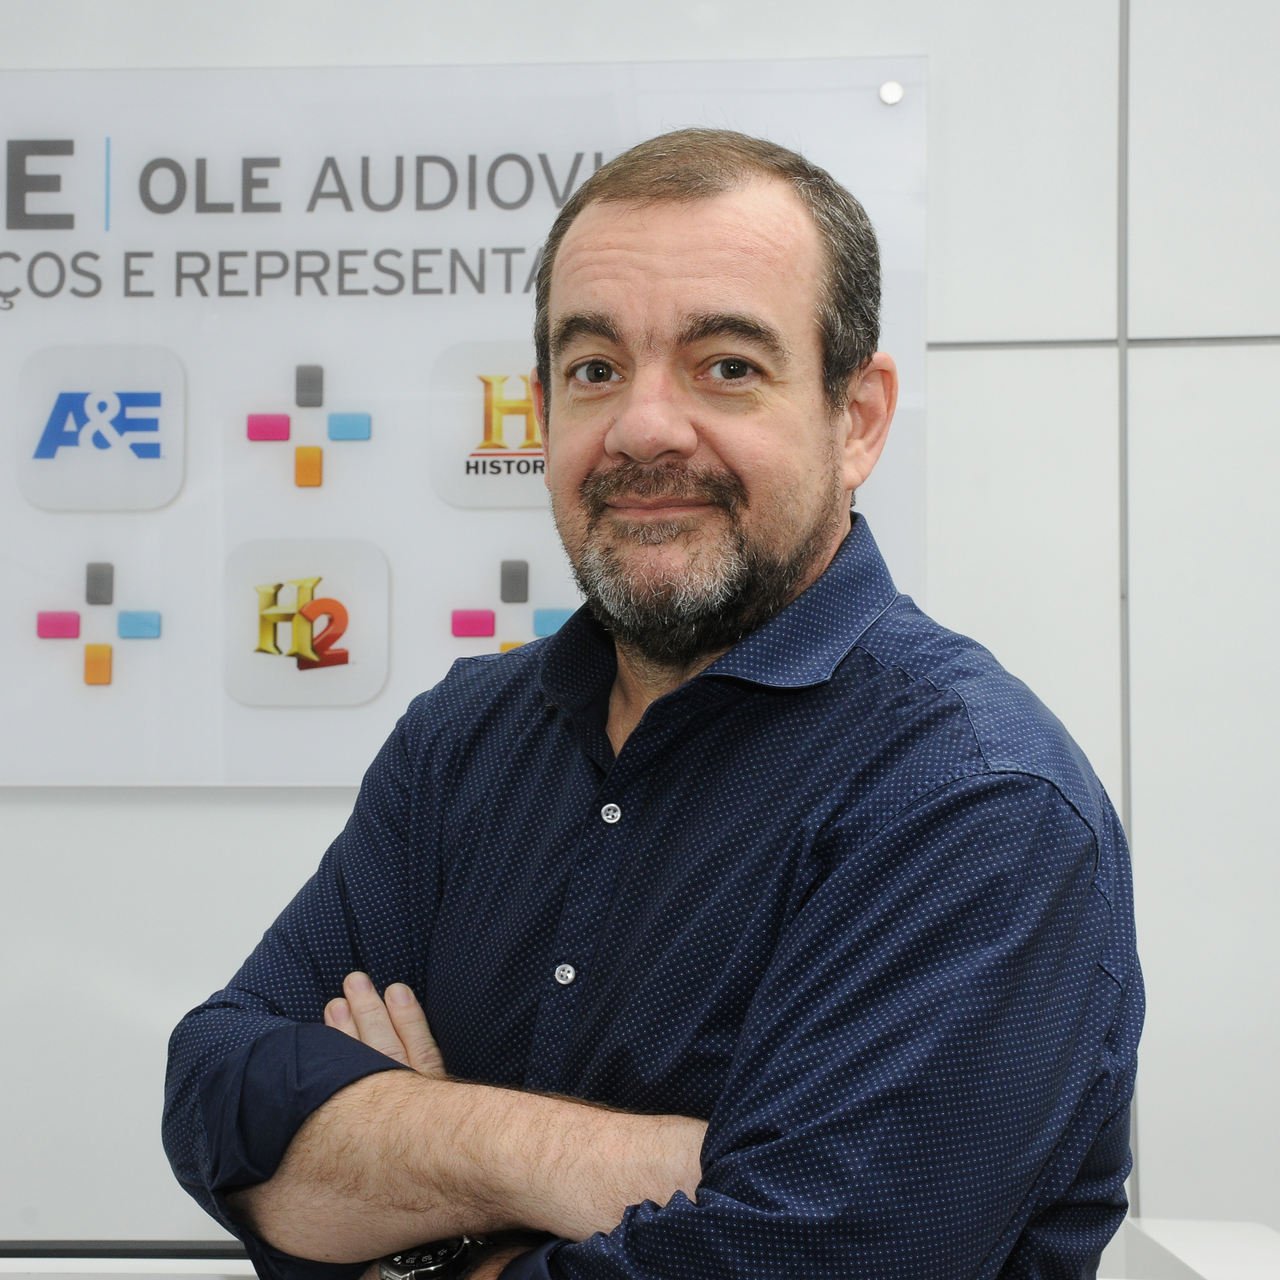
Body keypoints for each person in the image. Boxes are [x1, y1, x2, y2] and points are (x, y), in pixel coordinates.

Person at [164, 128, 1143, 1280]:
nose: (641, 427)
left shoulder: (972, 802)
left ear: (857, 417)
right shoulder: (462, 739)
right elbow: (217, 1089)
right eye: (595, 369)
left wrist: (405, 1212)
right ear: (541, 410)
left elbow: (800, 1265)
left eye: (724, 365)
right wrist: (563, 1163)